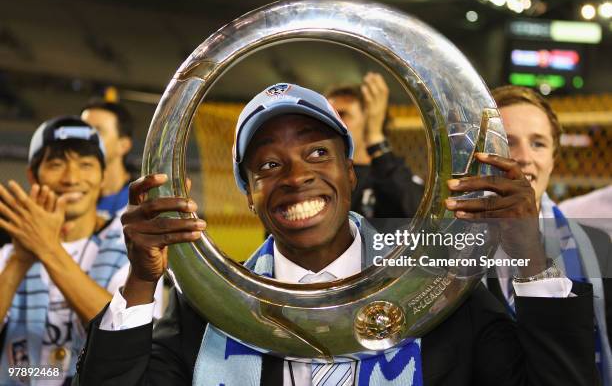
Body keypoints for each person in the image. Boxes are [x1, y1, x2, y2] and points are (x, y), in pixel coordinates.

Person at [74, 84, 596, 385]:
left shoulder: (435, 286)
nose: (296, 176)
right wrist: (141, 282)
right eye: (269, 165)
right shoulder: (212, 308)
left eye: (318, 153)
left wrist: (530, 256)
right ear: (250, 196)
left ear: (351, 173)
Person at [0, 117, 161, 386]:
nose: (72, 178)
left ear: (102, 176)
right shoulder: (9, 255)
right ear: (32, 175)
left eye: (86, 165)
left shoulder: (132, 248)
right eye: (56, 164)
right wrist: (20, 260)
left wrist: (48, 248)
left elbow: (126, 338)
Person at [492, 85, 612, 384]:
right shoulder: (446, 246)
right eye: (508, 142)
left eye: (538, 144)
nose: (523, 157)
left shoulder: (597, 246)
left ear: (553, 159)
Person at [326, 73, 423, 220]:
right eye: (326, 116)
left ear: (370, 120)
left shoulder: (395, 176)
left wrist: (374, 137)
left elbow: (415, 217)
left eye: (342, 114)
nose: (331, 123)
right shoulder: (323, 179)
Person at [81, 99, 133, 220]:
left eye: (97, 131)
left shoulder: (143, 201)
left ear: (123, 145)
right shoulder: (68, 198)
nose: (86, 138)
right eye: (83, 130)